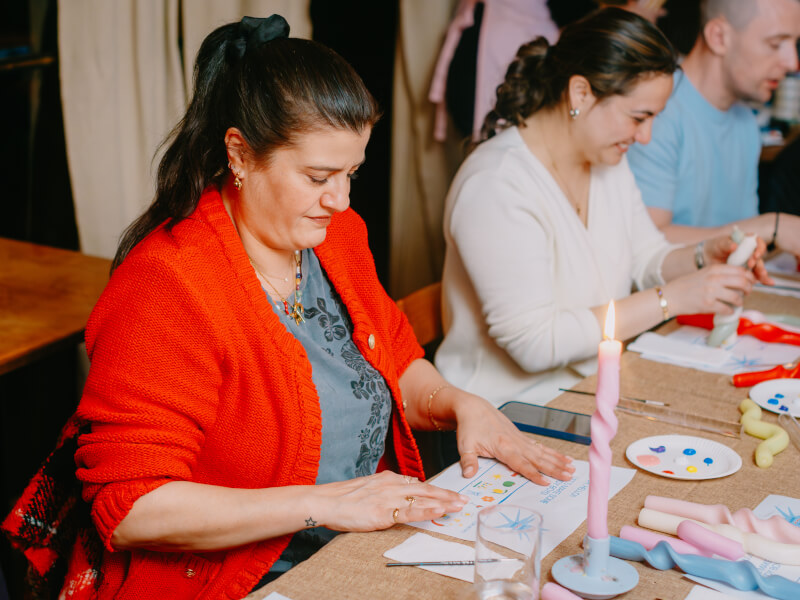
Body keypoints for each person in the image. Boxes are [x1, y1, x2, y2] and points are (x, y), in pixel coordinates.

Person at [15, 15, 575, 599]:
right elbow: (131, 508)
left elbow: (395, 361)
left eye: (352, 172)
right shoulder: (168, 286)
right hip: (234, 582)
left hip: (352, 550)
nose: (340, 199)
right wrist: (323, 503)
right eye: (318, 176)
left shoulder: (337, 236)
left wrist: (458, 404)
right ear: (239, 153)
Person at [435, 8, 771, 407]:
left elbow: (646, 258)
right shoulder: (497, 183)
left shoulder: (607, 161)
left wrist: (704, 255)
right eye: (638, 117)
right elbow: (536, 344)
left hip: (590, 390)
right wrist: (672, 299)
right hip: (508, 412)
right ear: (581, 93)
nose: (644, 137)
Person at [627, 0, 800, 258]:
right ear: (719, 37)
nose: (792, 63)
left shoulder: (745, 123)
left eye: (795, 44)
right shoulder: (656, 110)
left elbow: (741, 242)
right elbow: (646, 242)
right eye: (775, 44)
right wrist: (769, 227)